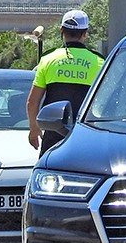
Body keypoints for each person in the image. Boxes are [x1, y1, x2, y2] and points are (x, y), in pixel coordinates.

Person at [26, 9, 104, 153]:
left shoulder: (48, 60)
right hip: (87, 136)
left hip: (53, 138)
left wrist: (34, 129)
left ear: (61, 31)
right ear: (85, 34)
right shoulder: (99, 63)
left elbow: (32, 102)